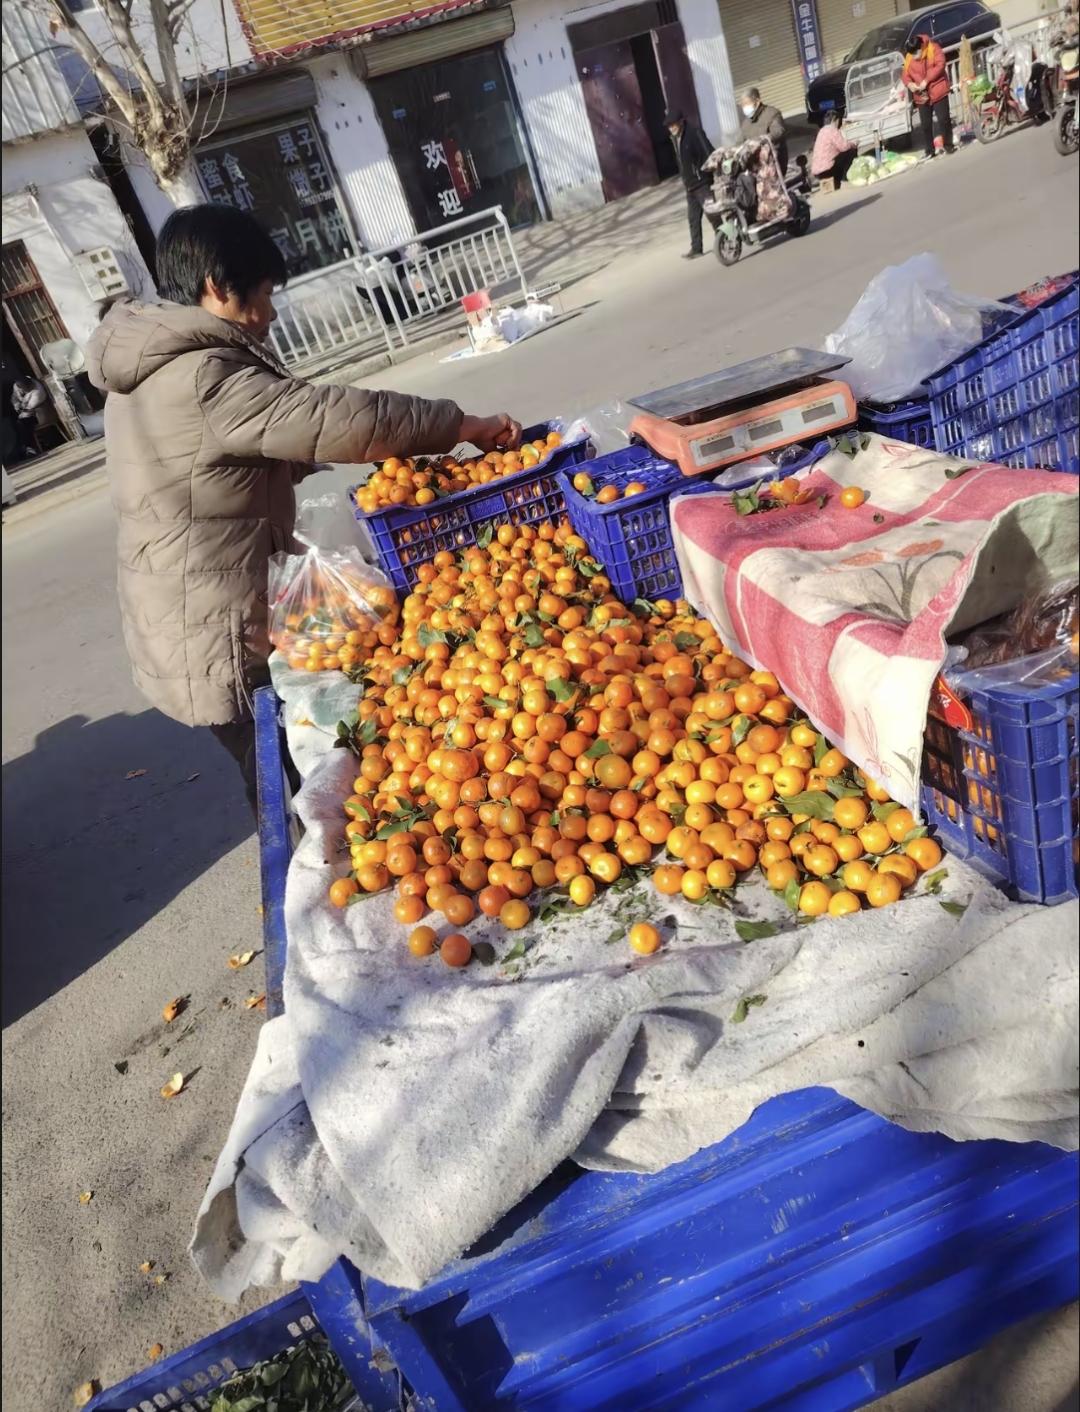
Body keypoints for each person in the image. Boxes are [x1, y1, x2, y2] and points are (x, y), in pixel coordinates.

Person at [87, 205, 520, 815]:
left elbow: (201, 465)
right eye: (264, 294)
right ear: (218, 287)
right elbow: (342, 419)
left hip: (175, 607)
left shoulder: (143, 366)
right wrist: (463, 425)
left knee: (272, 765)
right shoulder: (205, 374)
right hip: (216, 624)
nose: (271, 313)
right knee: (282, 779)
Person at [665, 109, 716, 260]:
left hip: (702, 182)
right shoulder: (676, 139)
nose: (671, 128)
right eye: (669, 126)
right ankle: (696, 248)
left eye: (673, 125)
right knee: (693, 218)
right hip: (690, 185)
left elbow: (709, 153)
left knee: (712, 214)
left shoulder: (695, 133)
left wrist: (707, 173)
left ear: (681, 122)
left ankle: (726, 239)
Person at [902, 33, 955, 158]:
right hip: (921, 94)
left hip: (938, 89)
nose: (914, 57)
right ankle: (929, 151)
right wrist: (910, 84)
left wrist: (927, 80)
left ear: (921, 48)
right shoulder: (910, 56)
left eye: (916, 53)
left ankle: (948, 145)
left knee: (943, 119)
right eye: (912, 54)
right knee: (925, 124)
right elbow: (905, 74)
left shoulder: (933, 48)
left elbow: (940, 64)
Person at [739, 88, 788, 178]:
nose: (744, 108)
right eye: (743, 105)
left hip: (774, 159)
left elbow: (778, 131)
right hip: (753, 163)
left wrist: (761, 140)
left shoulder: (772, 113)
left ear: (757, 102)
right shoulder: (745, 124)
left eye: (747, 104)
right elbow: (742, 142)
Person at [810, 111, 858, 187]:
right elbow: (844, 147)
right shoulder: (832, 129)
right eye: (838, 121)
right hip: (828, 170)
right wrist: (853, 144)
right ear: (834, 120)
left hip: (817, 172)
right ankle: (845, 177)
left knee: (841, 154)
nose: (838, 124)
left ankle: (835, 180)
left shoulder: (821, 131)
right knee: (851, 150)